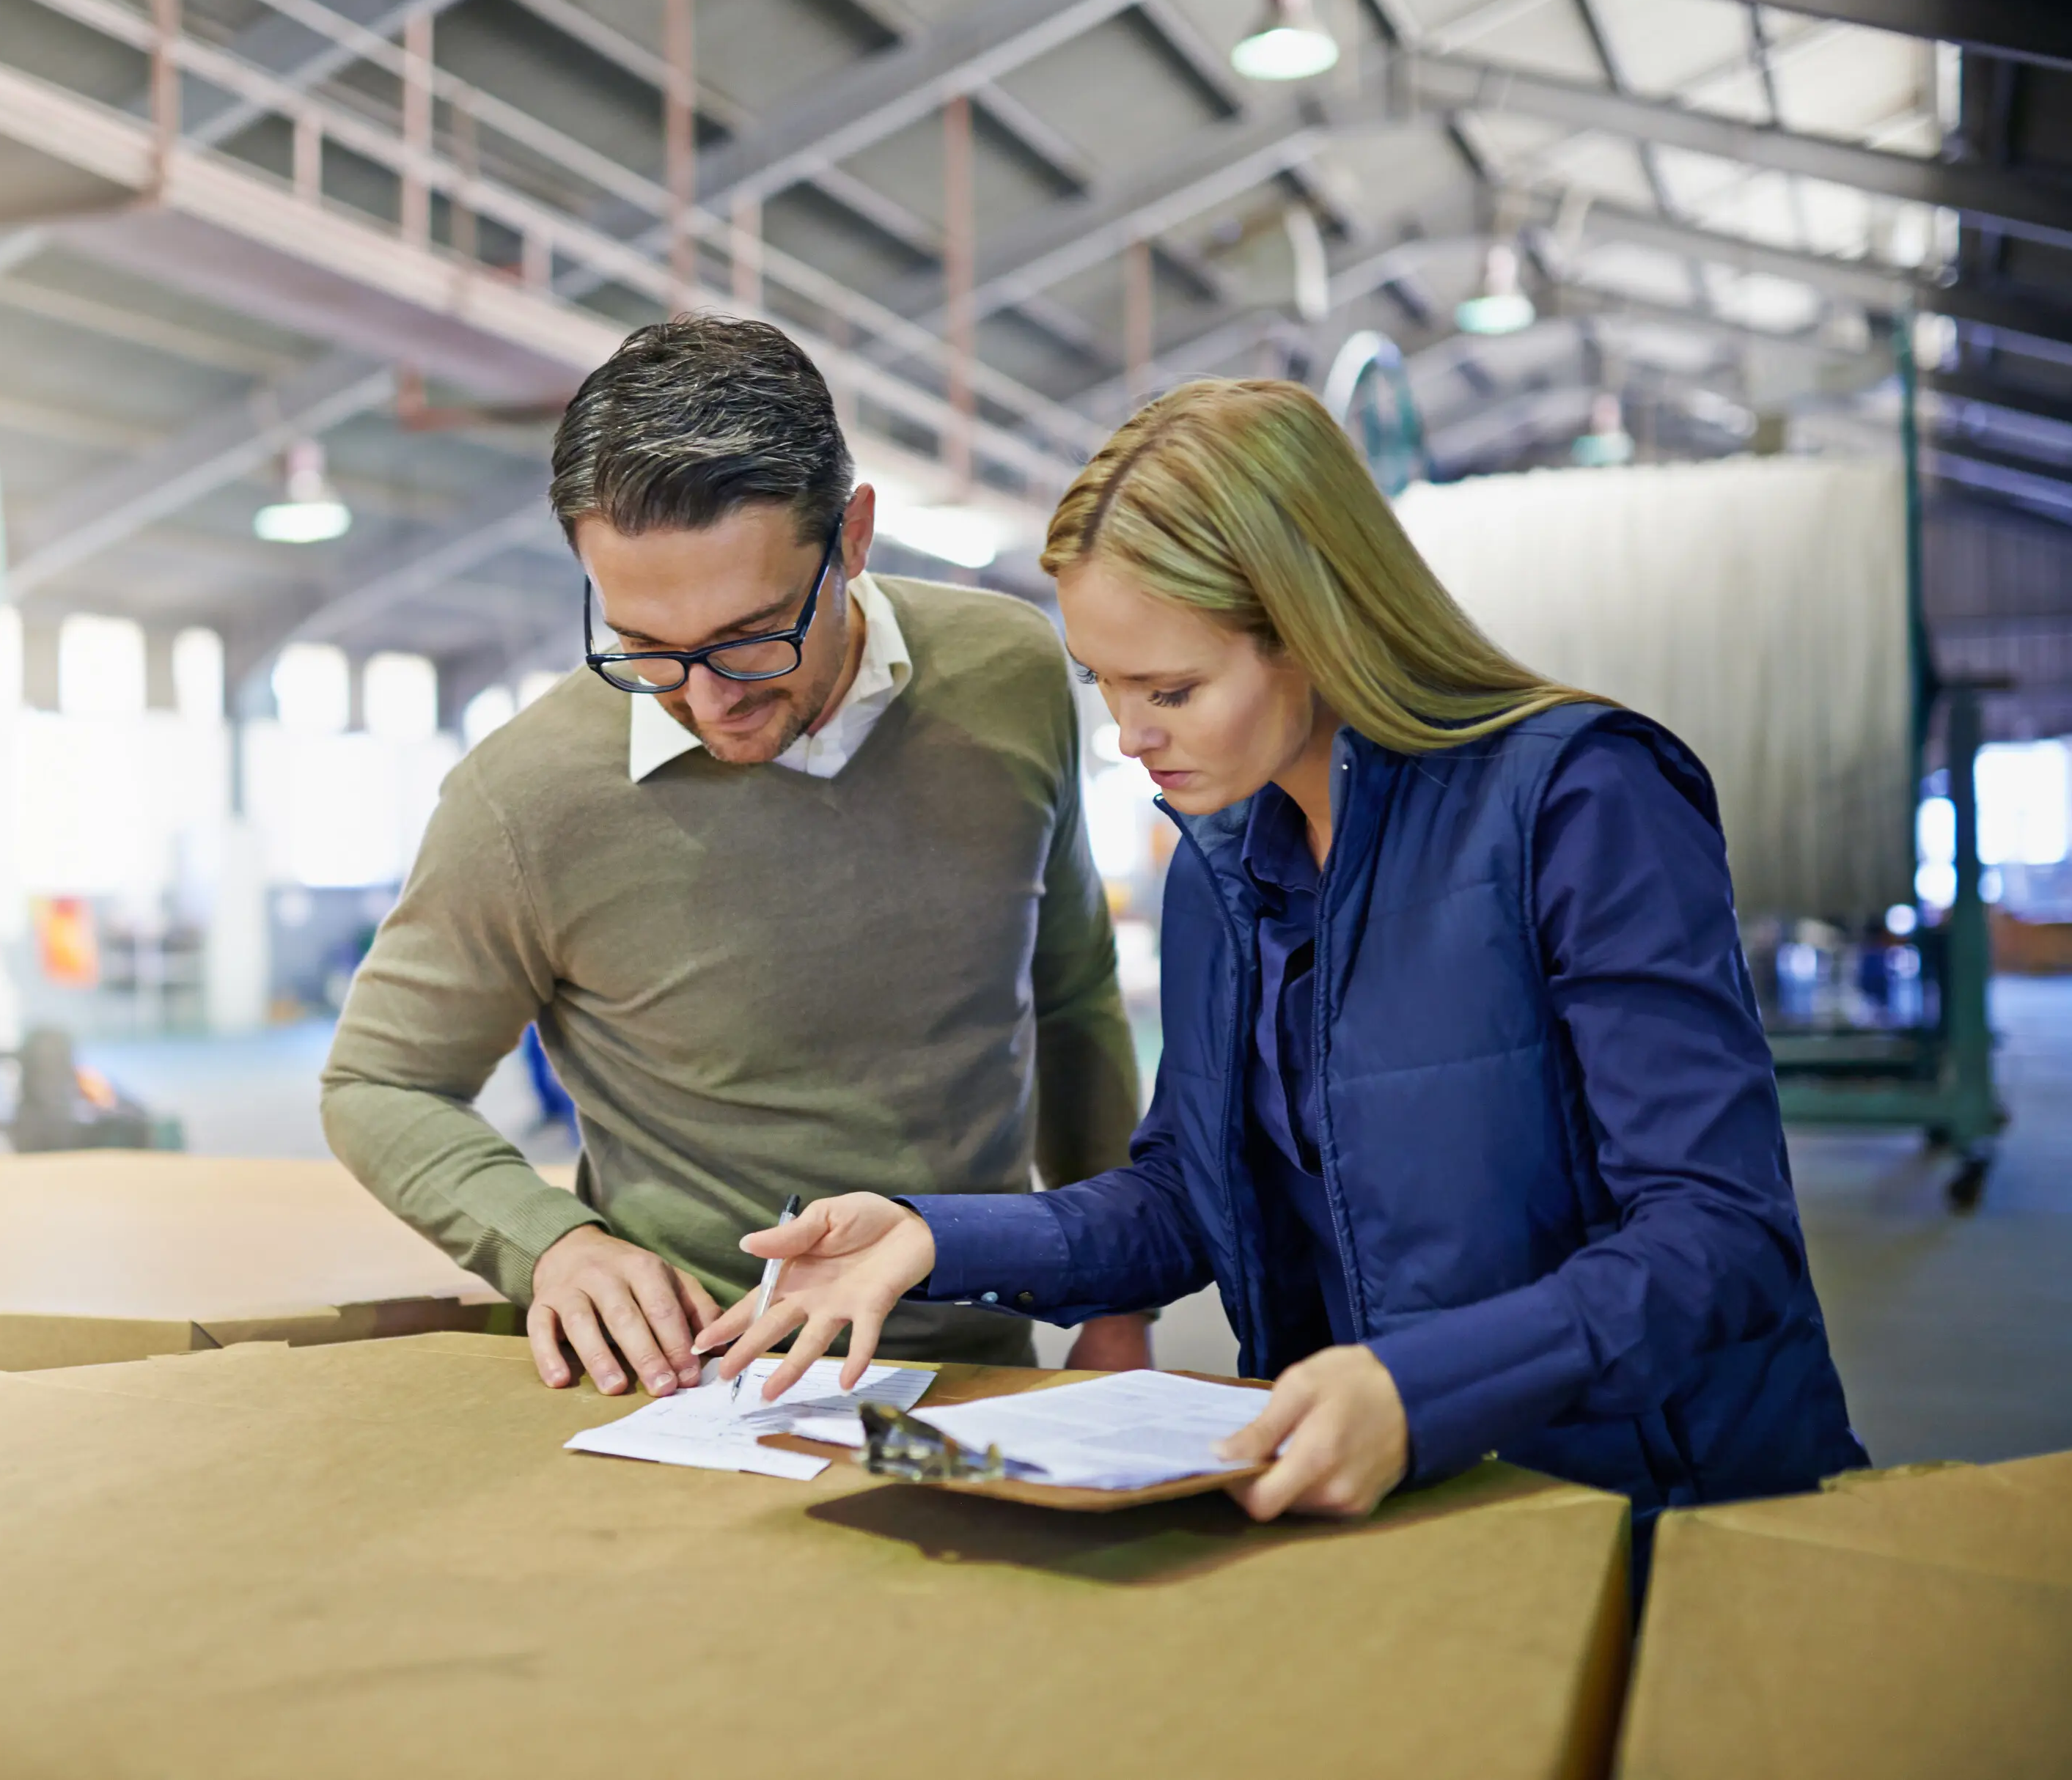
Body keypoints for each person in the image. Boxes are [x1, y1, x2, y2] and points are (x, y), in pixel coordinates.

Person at [698, 378, 1867, 1536]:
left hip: (1664, 1507)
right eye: (1103, 683)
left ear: (1315, 628)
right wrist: (935, 1236)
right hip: (1393, 1506)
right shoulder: (1222, 866)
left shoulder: (1581, 802)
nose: (1129, 735)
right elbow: (1189, 1200)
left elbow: (1721, 1236)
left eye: (1172, 688)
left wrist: (1416, 1391)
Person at [323, 317, 1150, 1397]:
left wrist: (1117, 1295)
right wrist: (550, 1243)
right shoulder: (524, 799)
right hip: (686, 1387)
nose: (709, 698)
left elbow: (1074, 994)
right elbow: (379, 1080)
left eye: (753, 636)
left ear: (854, 538)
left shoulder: (1012, 674)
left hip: (979, 1365)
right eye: (646, 648)